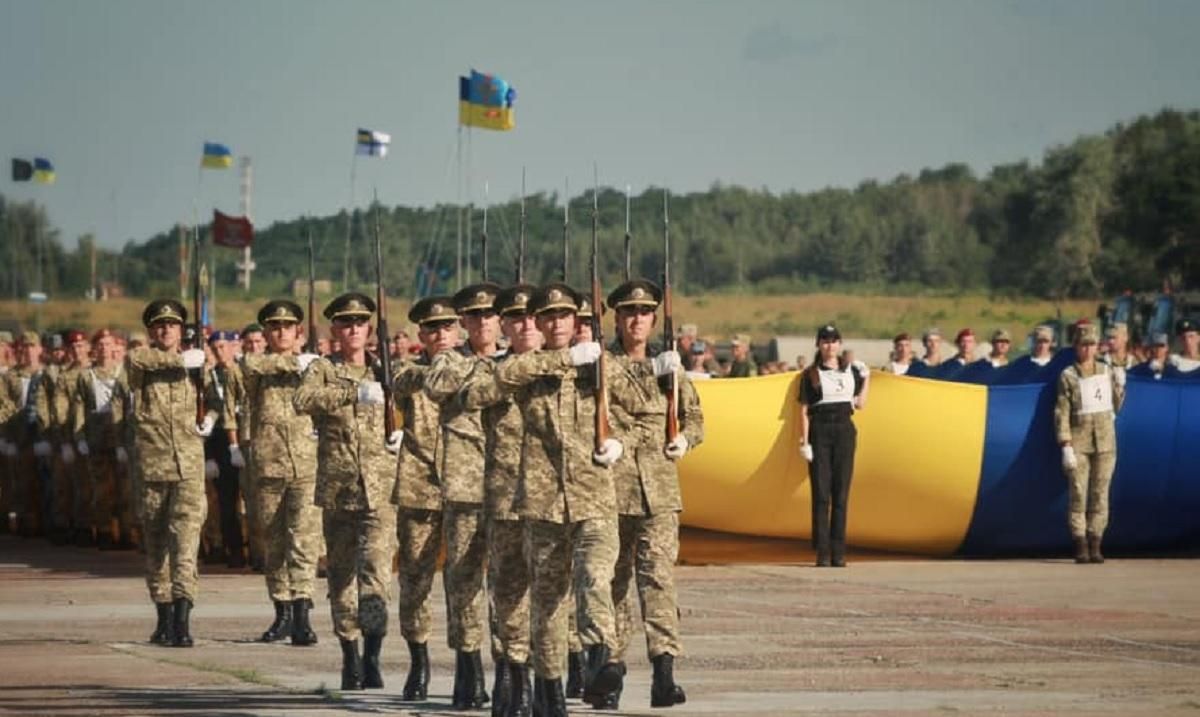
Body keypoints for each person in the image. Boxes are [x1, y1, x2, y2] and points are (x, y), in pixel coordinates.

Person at [494, 282, 626, 717]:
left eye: (564, 316)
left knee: (593, 576)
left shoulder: (602, 367)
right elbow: (502, 377)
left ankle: (599, 655)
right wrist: (565, 358)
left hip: (595, 499)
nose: (555, 323)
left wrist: (621, 443)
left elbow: (643, 413)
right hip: (544, 503)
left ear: (576, 321)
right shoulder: (531, 366)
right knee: (547, 605)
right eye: (547, 317)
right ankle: (549, 690)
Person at [293, 292, 402, 691]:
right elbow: (302, 400)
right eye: (345, 323)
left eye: (359, 323)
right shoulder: (323, 369)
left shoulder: (386, 369)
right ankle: (349, 654)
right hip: (339, 490)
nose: (353, 329)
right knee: (340, 577)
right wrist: (351, 393)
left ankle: (373, 656)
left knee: (376, 575)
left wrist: (401, 433)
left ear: (370, 330)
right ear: (334, 330)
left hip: (380, 491)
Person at [605, 279, 702, 709]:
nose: (637, 319)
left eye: (644, 312)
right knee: (612, 585)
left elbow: (695, 417)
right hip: (613, 490)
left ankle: (664, 673)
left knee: (659, 581)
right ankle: (607, 668)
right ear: (617, 319)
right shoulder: (602, 367)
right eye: (629, 312)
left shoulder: (670, 367)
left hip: (660, 492)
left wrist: (686, 439)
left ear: (654, 319)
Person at [457, 283, 543, 715]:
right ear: (504, 325)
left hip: (553, 505)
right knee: (507, 595)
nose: (525, 325)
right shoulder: (491, 371)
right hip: (506, 501)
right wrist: (519, 370)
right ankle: (513, 676)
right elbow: (470, 395)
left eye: (532, 317)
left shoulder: (566, 368)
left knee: (550, 596)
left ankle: (547, 678)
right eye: (515, 318)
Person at [424, 281, 503, 709]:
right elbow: (435, 386)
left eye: (490, 315)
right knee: (464, 582)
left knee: (510, 585)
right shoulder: (450, 361)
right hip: (464, 488)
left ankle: (511, 666)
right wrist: (486, 370)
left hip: (512, 488)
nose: (483, 323)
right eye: (473, 317)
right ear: (464, 323)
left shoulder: (517, 359)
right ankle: (468, 667)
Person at [127, 299, 217, 647]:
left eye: (172, 325)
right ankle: (162, 616)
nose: (166, 330)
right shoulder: (141, 363)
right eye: (159, 325)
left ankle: (182, 619)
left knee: (186, 543)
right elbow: (136, 360)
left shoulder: (198, 366)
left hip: (189, 467)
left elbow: (218, 400)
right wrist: (182, 359)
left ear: (182, 330)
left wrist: (210, 418)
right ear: (151, 331)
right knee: (156, 545)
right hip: (153, 468)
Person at [240, 300, 322, 646]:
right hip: (269, 466)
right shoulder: (256, 364)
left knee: (303, 542)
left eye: (287, 327)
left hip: (307, 465)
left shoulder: (314, 367)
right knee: (273, 543)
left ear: (299, 332)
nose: (280, 332)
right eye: (274, 327)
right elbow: (250, 366)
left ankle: (302, 614)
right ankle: (282, 612)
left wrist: (311, 366)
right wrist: (296, 363)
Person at [391, 295, 457, 702]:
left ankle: (470, 660)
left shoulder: (475, 370)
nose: (441, 334)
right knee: (415, 579)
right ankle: (419, 658)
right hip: (419, 487)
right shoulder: (409, 373)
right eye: (432, 329)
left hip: (466, 487)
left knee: (465, 580)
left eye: (447, 327)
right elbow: (402, 383)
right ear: (421, 336)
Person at [797, 324, 867, 567]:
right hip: (821, 431)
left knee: (841, 494)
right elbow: (804, 409)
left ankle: (839, 551)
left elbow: (860, 404)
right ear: (818, 344)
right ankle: (823, 552)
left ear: (839, 344)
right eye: (825, 341)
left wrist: (867, 379)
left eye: (834, 340)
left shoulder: (852, 372)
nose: (830, 345)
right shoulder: (811, 374)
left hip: (845, 431)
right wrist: (805, 442)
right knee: (821, 494)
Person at [1054, 323, 1125, 563]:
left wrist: (1120, 386)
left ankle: (1096, 541)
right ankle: (1080, 543)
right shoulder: (1069, 375)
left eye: (1092, 345)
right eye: (1083, 345)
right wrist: (1065, 445)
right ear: (1076, 347)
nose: (1088, 349)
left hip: (1106, 443)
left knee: (1100, 493)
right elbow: (1061, 412)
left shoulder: (1105, 371)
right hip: (1079, 443)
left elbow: (1116, 407)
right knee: (1079, 493)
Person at [72, 329, 128, 550]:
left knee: (125, 487)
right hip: (96, 437)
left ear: (115, 347)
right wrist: (79, 437)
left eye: (108, 344)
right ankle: (105, 531)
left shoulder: (123, 373)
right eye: (101, 345)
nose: (105, 348)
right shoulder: (87, 375)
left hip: (119, 435)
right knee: (102, 489)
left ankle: (126, 531)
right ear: (94, 349)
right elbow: (79, 408)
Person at [1, 332, 53, 537]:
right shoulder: (9, 377)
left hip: (43, 434)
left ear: (40, 349)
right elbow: (4, 405)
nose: (28, 350)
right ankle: (27, 522)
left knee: (47, 480)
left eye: (32, 346)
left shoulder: (47, 374)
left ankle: (46, 520)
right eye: (24, 346)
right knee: (22, 480)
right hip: (19, 434)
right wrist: (6, 437)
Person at [206, 330, 245, 568]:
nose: (220, 352)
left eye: (224, 346)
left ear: (233, 347)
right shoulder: (208, 378)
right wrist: (208, 456)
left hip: (246, 437)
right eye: (216, 348)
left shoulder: (245, 371)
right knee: (226, 501)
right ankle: (234, 549)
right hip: (220, 441)